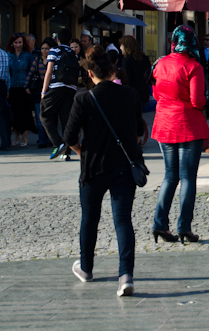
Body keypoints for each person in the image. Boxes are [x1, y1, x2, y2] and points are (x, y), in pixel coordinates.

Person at [63, 45, 148, 297]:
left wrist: (83, 152)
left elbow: (68, 136)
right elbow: (137, 133)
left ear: (90, 75)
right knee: (122, 221)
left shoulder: (83, 99)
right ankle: (125, 276)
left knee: (90, 219)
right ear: (113, 71)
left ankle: (87, 268)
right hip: (123, 167)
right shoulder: (130, 94)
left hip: (93, 169)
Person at [151, 26, 209, 244]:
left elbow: (156, 93)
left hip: (164, 124)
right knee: (187, 178)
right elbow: (197, 101)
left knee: (169, 176)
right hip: (187, 126)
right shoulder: (194, 66)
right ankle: (184, 226)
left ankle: (159, 224)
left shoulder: (160, 63)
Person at [41, 28, 81, 161]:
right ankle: (67, 153)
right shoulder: (73, 53)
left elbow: (49, 70)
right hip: (70, 88)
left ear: (58, 39)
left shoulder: (55, 50)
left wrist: (43, 91)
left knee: (45, 114)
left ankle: (59, 144)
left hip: (56, 87)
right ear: (70, 41)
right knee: (65, 119)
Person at [7, 34, 35, 146]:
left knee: (25, 112)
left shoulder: (28, 56)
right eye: (16, 42)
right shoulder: (9, 55)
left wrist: (29, 86)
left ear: (23, 43)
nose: (18, 45)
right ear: (12, 44)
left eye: (20, 42)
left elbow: (32, 72)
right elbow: (7, 73)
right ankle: (16, 135)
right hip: (12, 87)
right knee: (14, 113)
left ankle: (25, 136)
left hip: (24, 87)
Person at [28, 38, 54, 149]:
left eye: (47, 49)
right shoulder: (37, 59)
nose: (44, 51)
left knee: (51, 117)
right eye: (43, 48)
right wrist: (26, 86)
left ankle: (51, 139)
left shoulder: (53, 60)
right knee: (39, 118)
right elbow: (31, 73)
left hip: (51, 91)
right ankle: (42, 140)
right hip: (39, 91)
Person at [119, 36, 152, 110]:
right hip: (144, 93)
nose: (120, 48)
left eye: (121, 45)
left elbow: (126, 79)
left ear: (126, 46)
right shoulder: (145, 58)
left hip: (131, 94)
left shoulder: (126, 60)